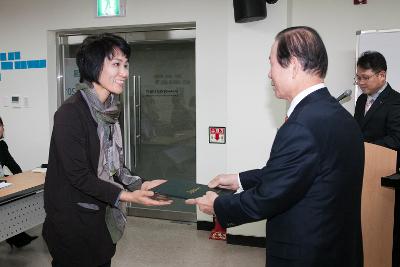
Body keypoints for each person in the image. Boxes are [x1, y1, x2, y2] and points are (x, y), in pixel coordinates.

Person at [186, 26, 364, 267]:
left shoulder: (302, 124)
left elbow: (269, 197)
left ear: (292, 65)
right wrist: (240, 180)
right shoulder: (341, 117)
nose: (269, 74)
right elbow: (297, 175)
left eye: (271, 64)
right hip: (337, 249)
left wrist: (218, 205)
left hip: (306, 255)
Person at [42, 33, 172, 267]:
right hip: (73, 223)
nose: (124, 72)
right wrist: (126, 195)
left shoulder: (108, 110)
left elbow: (114, 167)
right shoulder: (70, 113)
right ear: (93, 66)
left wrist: (139, 184)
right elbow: (79, 176)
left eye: (125, 65)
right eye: (116, 64)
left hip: (100, 217)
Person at [353, 51, 400, 267]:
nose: (360, 82)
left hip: (383, 174)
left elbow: (396, 139)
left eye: (365, 77)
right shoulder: (361, 100)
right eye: (358, 77)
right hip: (362, 173)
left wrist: (365, 148)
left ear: (382, 75)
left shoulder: (396, 101)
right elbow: (357, 132)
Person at [0, 116, 38, 248]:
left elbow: (13, 165)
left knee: (14, 199)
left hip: (1, 184)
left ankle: (15, 236)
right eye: (0, 126)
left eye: (1, 125)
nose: (2, 128)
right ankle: (15, 237)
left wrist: (22, 178)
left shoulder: (2, 145)